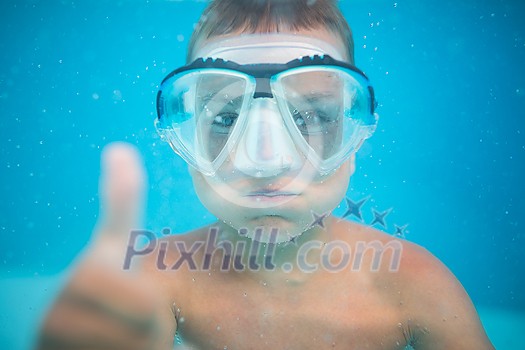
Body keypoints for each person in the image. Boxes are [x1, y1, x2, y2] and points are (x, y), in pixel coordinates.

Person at [37, 0, 494, 349]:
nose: (264, 161)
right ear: (185, 141)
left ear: (355, 139)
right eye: (223, 118)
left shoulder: (414, 284)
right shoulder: (159, 279)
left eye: (310, 116)